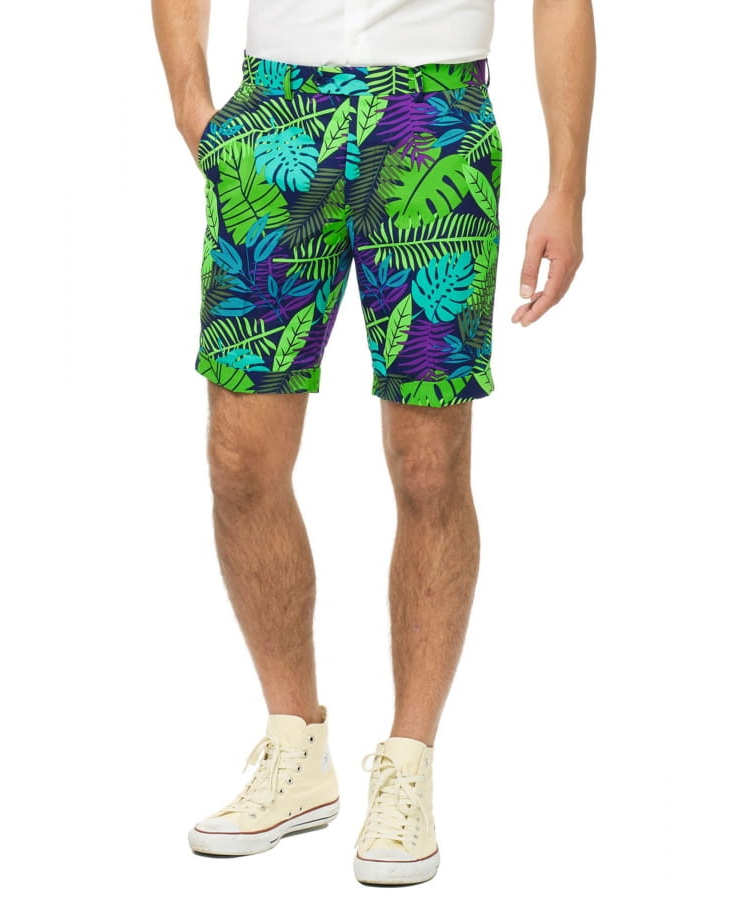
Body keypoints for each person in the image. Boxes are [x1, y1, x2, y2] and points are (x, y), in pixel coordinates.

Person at [152, 0, 595, 885]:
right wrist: (191, 104)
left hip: (434, 119)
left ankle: (408, 764)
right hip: (276, 114)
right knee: (240, 460)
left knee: (429, 464)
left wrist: (568, 187)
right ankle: (295, 750)